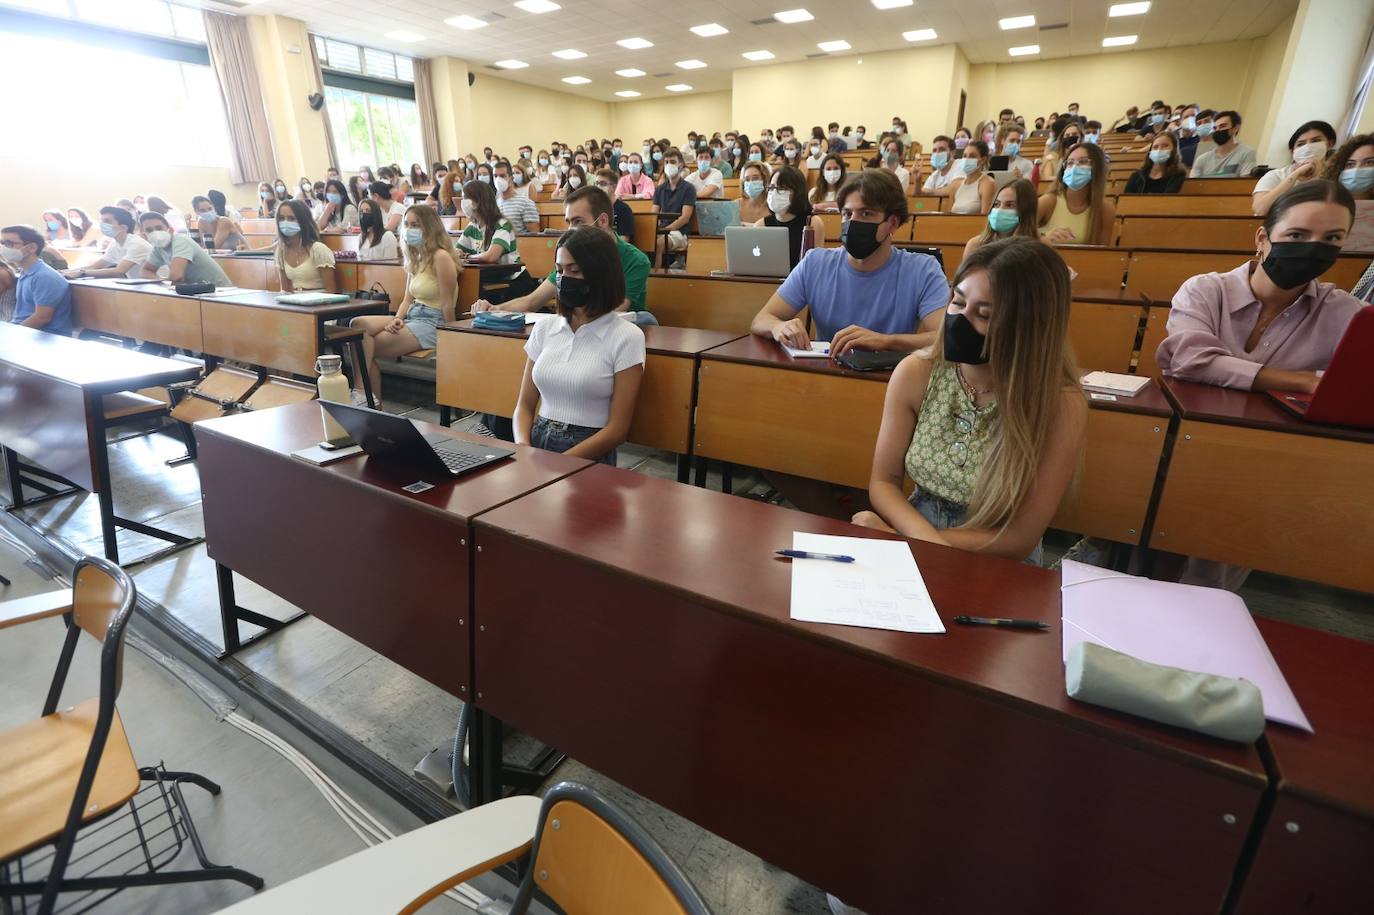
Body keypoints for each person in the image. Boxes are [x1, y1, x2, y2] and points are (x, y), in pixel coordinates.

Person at [850, 237, 1086, 565]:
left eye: (984, 314)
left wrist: (904, 542)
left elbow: (1019, 537)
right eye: (958, 303)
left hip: (995, 557)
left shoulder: (1059, 403)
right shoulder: (917, 372)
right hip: (914, 532)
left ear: (1028, 328)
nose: (960, 320)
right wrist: (916, 541)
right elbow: (883, 481)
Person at [1156, 179, 1362, 393]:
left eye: (1332, 237)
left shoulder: (1349, 313)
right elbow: (1190, 361)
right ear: (1262, 239)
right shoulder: (1204, 291)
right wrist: (1305, 381)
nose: (1313, 249)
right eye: (1296, 235)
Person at [750, 169, 947, 357]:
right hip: (828, 374)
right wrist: (779, 327)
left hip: (890, 380)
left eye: (866, 214)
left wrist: (886, 342)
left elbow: (945, 337)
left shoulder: (923, 270)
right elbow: (761, 319)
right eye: (846, 214)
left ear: (893, 223)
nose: (853, 222)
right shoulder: (815, 263)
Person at [512, 225, 646, 466]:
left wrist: (558, 464)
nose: (564, 279)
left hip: (588, 451)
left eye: (574, 270)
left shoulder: (627, 336)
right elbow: (524, 405)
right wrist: (523, 448)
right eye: (559, 270)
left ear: (600, 274)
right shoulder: (545, 327)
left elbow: (617, 430)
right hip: (537, 440)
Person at [473, 185, 654, 328]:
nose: (571, 230)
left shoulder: (635, 260)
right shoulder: (569, 258)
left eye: (578, 222)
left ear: (603, 221)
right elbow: (533, 301)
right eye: (568, 222)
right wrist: (495, 309)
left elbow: (611, 311)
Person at [352, 206, 460, 407]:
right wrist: (397, 319)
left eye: (416, 225)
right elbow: (407, 299)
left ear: (429, 228)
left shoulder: (441, 257)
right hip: (412, 315)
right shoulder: (416, 256)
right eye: (407, 225)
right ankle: (365, 397)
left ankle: (365, 399)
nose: (410, 229)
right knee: (357, 326)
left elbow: (447, 303)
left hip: (432, 321)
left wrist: (451, 338)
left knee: (366, 345)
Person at [457, 179, 539, 302]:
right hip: (490, 278)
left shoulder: (502, 224)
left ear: (479, 201)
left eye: (465, 198)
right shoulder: (472, 227)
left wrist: (467, 256)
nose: (462, 202)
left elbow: (491, 256)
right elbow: (456, 252)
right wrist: (458, 254)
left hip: (514, 283)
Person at [1251, 120, 1336, 217]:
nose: (1308, 147)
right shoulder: (1276, 175)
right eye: (1301, 144)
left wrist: (1321, 175)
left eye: (1316, 141)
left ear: (1329, 144)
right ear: (1292, 151)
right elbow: (1260, 209)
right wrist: (1295, 175)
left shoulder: (1337, 174)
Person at [1038, 141, 1115, 246]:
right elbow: (1019, 237)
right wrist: (1044, 240)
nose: (1074, 167)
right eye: (1070, 163)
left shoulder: (1105, 210)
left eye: (1083, 162)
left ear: (1097, 168)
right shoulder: (1048, 201)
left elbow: (1101, 254)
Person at [1, 225, 73, 336]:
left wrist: (12, 335)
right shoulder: (25, 272)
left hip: (46, 337)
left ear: (32, 248)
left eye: (9, 244)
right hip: (27, 332)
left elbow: (42, 318)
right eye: (2, 243)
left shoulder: (44, 276)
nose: (4, 248)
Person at [753, 165, 825, 270]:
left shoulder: (812, 223)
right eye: (772, 188)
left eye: (781, 188)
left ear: (797, 192)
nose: (774, 193)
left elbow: (817, 266)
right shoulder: (761, 225)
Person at [139, 211, 230, 285]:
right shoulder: (158, 247)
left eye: (159, 228)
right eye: (149, 230)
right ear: (144, 235)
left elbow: (176, 276)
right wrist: (162, 282)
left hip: (218, 292)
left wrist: (164, 283)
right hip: (194, 292)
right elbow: (145, 271)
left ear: (170, 229)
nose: (155, 233)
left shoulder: (180, 240)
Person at [64, 207, 152, 279]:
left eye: (107, 221)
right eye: (101, 221)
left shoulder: (136, 244)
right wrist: (67, 272)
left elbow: (120, 270)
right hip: (140, 287)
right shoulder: (115, 243)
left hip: (156, 288)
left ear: (123, 227)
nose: (102, 224)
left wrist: (81, 273)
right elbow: (95, 266)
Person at [963, 179, 1040, 261]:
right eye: (996, 204)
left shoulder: (1039, 247)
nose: (999, 210)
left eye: (1010, 205)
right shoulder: (975, 245)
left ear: (1026, 211)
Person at [272, 199, 337, 292]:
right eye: (281, 218)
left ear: (302, 220)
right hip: (294, 303)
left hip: (319, 303)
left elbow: (331, 291)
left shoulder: (318, 249)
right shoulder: (281, 251)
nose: (285, 222)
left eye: (291, 218)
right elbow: (284, 290)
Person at [652, 148, 697, 268]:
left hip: (680, 233)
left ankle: (656, 277)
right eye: (666, 162)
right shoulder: (659, 189)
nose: (669, 165)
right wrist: (655, 230)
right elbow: (653, 215)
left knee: (658, 243)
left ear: (680, 164)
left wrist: (664, 231)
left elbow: (685, 218)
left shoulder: (688, 188)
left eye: (672, 162)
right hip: (662, 231)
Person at [1190, 110, 1256, 178]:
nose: (1218, 130)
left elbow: (1245, 184)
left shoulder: (1247, 153)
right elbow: (1193, 185)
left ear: (1235, 128)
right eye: (1215, 128)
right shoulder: (1201, 159)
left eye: (1222, 126)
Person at [947, 140, 996, 215]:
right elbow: (948, 216)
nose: (966, 159)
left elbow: (985, 219)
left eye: (972, 156)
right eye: (965, 156)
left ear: (982, 160)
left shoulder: (988, 183)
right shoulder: (955, 184)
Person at [494, 160, 540, 234]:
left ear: (511, 178)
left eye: (502, 176)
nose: (498, 179)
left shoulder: (526, 203)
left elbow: (534, 236)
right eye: (495, 176)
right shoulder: (495, 204)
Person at [592, 168, 635, 244]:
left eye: (602, 184)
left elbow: (624, 239)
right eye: (596, 183)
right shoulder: (593, 208)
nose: (598, 187)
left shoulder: (623, 209)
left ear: (614, 187)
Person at [354, 198, 399, 262]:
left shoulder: (388, 236)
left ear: (375, 213)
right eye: (361, 211)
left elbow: (390, 265)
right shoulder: (361, 237)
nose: (364, 214)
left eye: (368, 210)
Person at [737, 160, 771, 225]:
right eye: (747, 179)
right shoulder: (736, 205)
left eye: (755, 178)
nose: (750, 182)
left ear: (765, 180)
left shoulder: (773, 206)